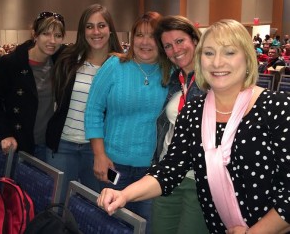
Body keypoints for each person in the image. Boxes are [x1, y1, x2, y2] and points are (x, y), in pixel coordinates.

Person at [97, 19, 290, 234]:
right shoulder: (193, 112)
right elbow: (170, 169)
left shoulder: (278, 109)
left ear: (247, 57)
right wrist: (124, 194)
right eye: (209, 53)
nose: (217, 63)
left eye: (229, 53)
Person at [84, 11, 168, 233]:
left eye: (152, 36)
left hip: (151, 171)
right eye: (139, 35)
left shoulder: (169, 71)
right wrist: (99, 155)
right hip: (113, 165)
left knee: (146, 227)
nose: (145, 42)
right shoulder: (114, 66)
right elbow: (93, 110)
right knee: (110, 226)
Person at [45, 4, 123, 202]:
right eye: (89, 26)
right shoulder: (68, 59)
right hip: (63, 145)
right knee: (57, 205)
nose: (95, 32)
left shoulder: (122, 65)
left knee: (97, 207)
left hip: (98, 150)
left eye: (101, 25)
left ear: (110, 29)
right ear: (82, 31)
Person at [151, 15, 208, 234]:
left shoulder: (214, 80)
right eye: (168, 45)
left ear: (194, 39)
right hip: (166, 173)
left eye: (180, 41)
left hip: (198, 179)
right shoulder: (174, 80)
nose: (175, 49)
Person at [0, 12, 65, 161]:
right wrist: (4, 134)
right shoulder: (10, 64)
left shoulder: (61, 62)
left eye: (57, 36)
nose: (52, 40)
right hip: (18, 144)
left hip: (50, 146)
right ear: (35, 35)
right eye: (46, 34)